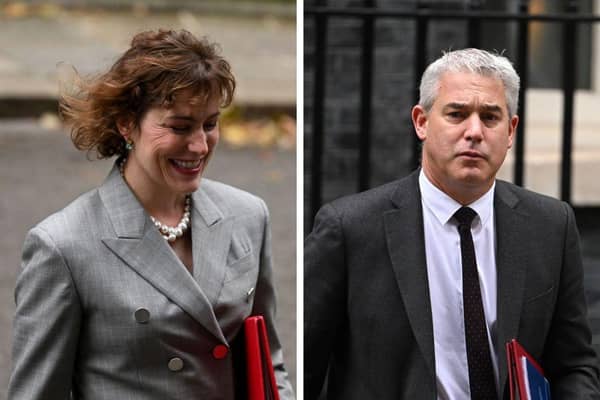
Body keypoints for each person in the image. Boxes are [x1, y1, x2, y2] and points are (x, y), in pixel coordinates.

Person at [8, 29, 294, 400]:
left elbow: (268, 363)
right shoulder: (62, 246)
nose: (199, 145)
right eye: (179, 126)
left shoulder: (248, 215)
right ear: (127, 123)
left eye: (210, 124)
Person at [304, 48, 600, 399]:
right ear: (422, 122)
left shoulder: (551, 225)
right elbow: (307, 366)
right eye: (457, 114)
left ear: (510, 130)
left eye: (490, 117)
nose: (474, 131)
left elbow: (573, 364)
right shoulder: (350, 228)